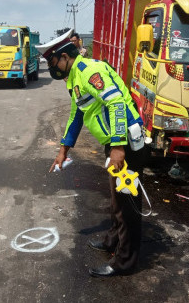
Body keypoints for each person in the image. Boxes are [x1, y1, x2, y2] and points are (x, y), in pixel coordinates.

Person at [36, 29, 145, 277]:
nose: (51, 68)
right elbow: (77, 114)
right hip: (116, 143)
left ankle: (125, 263)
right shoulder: (75, 78)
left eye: (52, 62)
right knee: (118, 199)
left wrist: (118, 146)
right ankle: (112, 241)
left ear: (65, 57)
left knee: (127, 205)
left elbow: (116, 102)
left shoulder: (88, 72)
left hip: (126, 142)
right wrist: (64, 148)